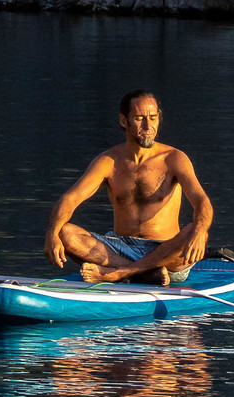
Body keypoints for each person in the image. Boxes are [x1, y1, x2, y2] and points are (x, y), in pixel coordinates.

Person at [43, 88, 213, 283]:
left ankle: (119, 273)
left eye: (153, 117)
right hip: (120, 248)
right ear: (124, 121)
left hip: (165, 252)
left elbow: (201, 200)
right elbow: (72, 198)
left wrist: (200, 232)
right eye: (140, 118)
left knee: (196, 229)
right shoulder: (109, 161)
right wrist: (51, 233)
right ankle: (142, 273)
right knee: (64, 233)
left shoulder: (174, 159)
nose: (148, 125)